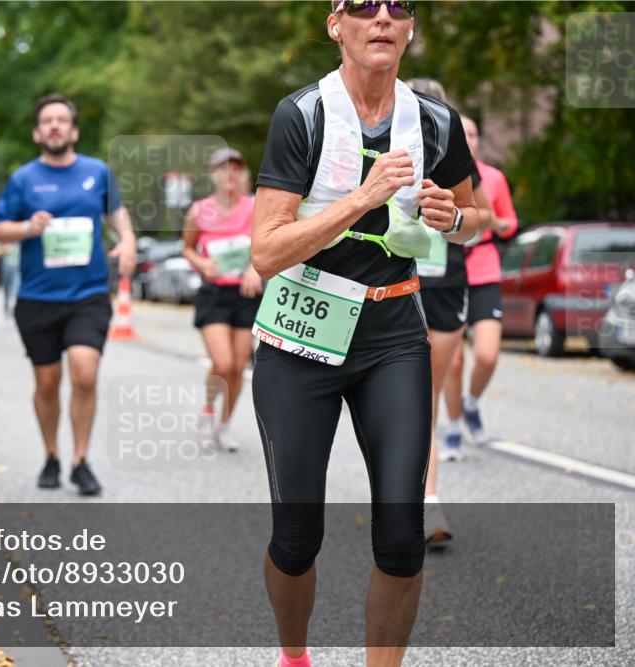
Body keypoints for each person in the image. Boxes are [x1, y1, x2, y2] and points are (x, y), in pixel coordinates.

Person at [250, 2, 481, 665]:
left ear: (410, 29)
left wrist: (452, 219)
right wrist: (361, 197)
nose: (380, 16)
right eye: (362, 5)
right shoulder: (302, 115)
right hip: (302, 337)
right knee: (297, 537)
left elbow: (478, 215)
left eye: (396, 6)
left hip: (392, 337)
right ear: (336, 25)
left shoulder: (435, 121)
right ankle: (294, 655)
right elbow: (265, 252)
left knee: (404, 536)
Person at [0, 94, 136, 497]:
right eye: (47, 121)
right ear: (37, 133)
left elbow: (116, 212)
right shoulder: (23, 179)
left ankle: (81, 460)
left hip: (88, 294)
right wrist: (27, 228)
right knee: (47, 383)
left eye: (61, 120)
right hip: (37, 297)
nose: (54, 126)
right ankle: (52, 455)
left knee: (85, 374)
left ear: (73, 130)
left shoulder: (96, 172)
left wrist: (127, 239)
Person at [405, 78, 492, 549]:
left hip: (445, 290)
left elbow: (484, 217)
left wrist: (453, 217)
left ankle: (418, 497)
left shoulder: (456, 159)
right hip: (397, 286)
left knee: (425, 397)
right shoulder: (384, 155)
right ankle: (426, 500)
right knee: (411, 397)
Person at [443, 116, 518, 451]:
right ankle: (453, 427)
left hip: (484, 269)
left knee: (487, 356)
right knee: (454, 361)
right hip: (449, 272)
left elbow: (509, 221)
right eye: (463, 134)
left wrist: (497, 224)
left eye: (473, 134)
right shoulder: (443, 172)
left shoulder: (493, 178)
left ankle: (471, 403)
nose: (468, 139)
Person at [182, 147, 264, 452]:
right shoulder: (198, 211)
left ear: (243, 175)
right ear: (212, 175)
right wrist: (201, 263)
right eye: (223, 168)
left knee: (238, 366)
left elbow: (266, 246)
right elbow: (187, 248)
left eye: (236, 168)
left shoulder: (255, 208)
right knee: (223, 362)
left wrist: (255, 269)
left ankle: (225, 423)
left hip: (245, 294)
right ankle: (207, 411)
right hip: (214, 294)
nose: (230, 174)